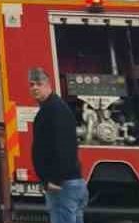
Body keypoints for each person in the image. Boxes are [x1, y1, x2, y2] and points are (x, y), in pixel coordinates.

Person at [29, 67, 87, 223]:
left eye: (38, 84)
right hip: (71, 184)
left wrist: (54, 179)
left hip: (63, 187)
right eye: (31, 84)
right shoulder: (54, 108)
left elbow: (64, 148)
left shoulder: (53, 110)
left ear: (48, 85)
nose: (34, 88)